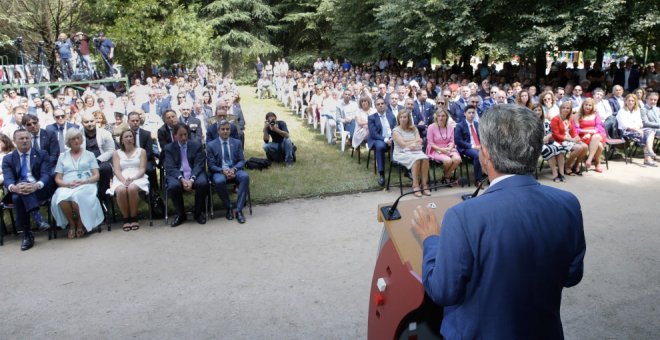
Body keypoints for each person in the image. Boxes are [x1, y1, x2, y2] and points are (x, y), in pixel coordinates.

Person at [411, 103, 586, 339]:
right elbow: (571, 275)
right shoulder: (568, 203)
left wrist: (430, 238)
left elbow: (443, 291)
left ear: (486, 155)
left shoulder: (463, 216)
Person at [2, 129, 53, 250]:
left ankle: (26, 234)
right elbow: (8, 179)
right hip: (18, 190)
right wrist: (14, 187)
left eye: (27, 138)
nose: (25, 140)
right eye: (21, 138)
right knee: (17, 195)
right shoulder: (8, 159)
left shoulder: (42, 154)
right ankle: (38, 219)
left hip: (39, 189)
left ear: (31, 139)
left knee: (17, 197)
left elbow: (46, 175)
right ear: (14, 141)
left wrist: (36, 185)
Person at [51, 128, 104, 238]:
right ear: (68, 142)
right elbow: (58, 178)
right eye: (72, 139)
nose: (75, 141)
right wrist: (67, 184)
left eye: (78, 138)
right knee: (60, 197)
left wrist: (85, 181)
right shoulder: (62, 156)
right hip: (67, 184)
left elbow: (96, 175)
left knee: (77, 197)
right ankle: (72, 224)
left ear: (81, 140)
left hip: (86, 183)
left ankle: (80, 224)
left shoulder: (90, 155)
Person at [164, 123, 209, 227]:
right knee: (173, 186)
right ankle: (180, 214)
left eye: (185, 134)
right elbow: (170, 167)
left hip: (194, 173)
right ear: (175, 135)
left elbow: (199, 164)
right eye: (180, 135)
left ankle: (198, 213)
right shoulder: (169, 148)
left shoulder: (196, 145)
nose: (184, 138)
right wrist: (182, 179)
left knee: (202, 183)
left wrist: (192, 179)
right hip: (178, 174)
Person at [208, 120, 249, 224]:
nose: (225, 131)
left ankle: (239, 210)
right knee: (219, 181)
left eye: (227, 129)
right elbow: (211, 165)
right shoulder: (211, 145)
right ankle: (229, 207)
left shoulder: (237, 142)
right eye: (223, 129)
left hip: (234, 169)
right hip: (220, 171)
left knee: (245, 177)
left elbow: (241, 160)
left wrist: (234, 169)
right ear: (218, 131)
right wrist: (223, 171)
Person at [107, 129, 149, 231]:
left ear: (134, 139)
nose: (129, 139)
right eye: (126, 137)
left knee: (131, 188)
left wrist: (133, 178)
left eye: (131, 136)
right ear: (121, 140)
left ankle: (134, 217)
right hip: (121, 176)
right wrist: (123, 180)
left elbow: (142, 169)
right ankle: (126, 218)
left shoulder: (141, 151)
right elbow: (116, 170)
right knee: (121, 190)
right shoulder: (116, 153)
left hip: (138, 176)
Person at [391, 109, 430, 196]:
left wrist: (414, 142)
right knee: (416, 160)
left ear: (409, 118)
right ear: (398, 119)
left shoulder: (414, 128)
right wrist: (414, 141)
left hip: (415, 151)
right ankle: (415, 186)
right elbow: (403, 145)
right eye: (400, 117)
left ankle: (424, 185)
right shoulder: (396, 131)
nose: (402, 119)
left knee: (425, 158)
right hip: (401, 153)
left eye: (404, 117)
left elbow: (420, 141)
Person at [80, 112, 116, 202]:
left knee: (105, 169)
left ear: (95, 121)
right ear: (82, 123)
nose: (89, 124)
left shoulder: (105, 133)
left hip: (102, 161)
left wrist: (98, 160)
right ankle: (87, 198)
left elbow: (111, 150)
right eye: (86, 122)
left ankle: (103, 196)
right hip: (84, 162)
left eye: (91, 121)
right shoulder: (77, 135)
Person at [617, 94, 656, 166]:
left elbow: (640, 122)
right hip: (626, 131)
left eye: (633, 101)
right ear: (625, 101)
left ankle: (649, 151)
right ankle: (648, 159)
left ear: (635, 102)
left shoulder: (637, 110)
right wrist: (636, 129)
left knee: (650, 131)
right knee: (645, 135)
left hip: (637, 129)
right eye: (629, 100)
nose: (631, 102)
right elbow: (624, 125)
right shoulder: (621, 111)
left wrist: (638, 128)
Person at [551, 101, 588, 175]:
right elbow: (556, 135)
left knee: (585, 146)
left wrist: (577, 138)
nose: (566, 109)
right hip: (559, 141)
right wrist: (570, 139)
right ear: (560, 109)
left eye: (568, 108)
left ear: (570, 110)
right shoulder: (555, 119)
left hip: (569, 139)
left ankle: (576, 165)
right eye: (564, 108)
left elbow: (573, 131)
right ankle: (567, 166)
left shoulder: (570, 118)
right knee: (578, 148)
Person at [426, 108, 461, 185]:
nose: (441, 118)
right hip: (435, 149)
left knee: (457, 159)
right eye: (439, 116)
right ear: (436, 117)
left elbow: (452, 141)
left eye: (443, 116)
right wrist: (442, 150)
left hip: (448, 148)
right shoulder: (431, 127)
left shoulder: (450, 127)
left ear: (447, 117)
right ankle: (447, 177)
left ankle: (446, 175)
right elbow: (430, 143)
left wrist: (449, 148)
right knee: (448, 161)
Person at [368, 98, 397, 186]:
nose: (380, 105)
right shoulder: (371, 118)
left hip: (392, 138)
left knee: (403, 142)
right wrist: (385, 139)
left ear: (385, 104)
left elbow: (395, 128)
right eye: (378, 104)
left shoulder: (391, 115)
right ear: (375, 106)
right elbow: (373, 134)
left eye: (382, 103)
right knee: (380, 147)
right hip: (379, 139)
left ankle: (406, 170)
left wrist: (392, 138)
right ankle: (382, 174)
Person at [454, 105, 486, 186]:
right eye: (469, 113)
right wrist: (472, 146)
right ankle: (478, 180)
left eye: (473, 113)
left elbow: (482, 137)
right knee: (477, 155)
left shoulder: (476, 124)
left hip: (479, 146)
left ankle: (490, 177)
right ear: (465, 113)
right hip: (466, 148)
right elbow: (458, 141)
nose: (471, 114)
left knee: (491, 153)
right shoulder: (460, 125)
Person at [575, 98, 606, 172]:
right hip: (583, 135)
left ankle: (589, 160)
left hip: (596, 133)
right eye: (586, 105)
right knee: (599, 146)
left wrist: (591, 133)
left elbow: (599, 127)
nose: (588, 107)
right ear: (583, 105)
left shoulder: (595, 114)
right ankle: (597, 163)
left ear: (592, 107)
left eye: (590, 105)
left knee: (596, 136)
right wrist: (587, 132)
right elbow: (576, 129)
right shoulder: (578, 115)